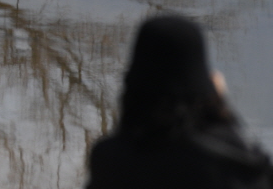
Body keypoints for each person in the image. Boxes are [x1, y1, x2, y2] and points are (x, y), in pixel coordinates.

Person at [86, 14, 272, 189]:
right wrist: (220, 104)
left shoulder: (109, 160)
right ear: (201, 84)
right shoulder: (230, 164)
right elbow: (257, 166)